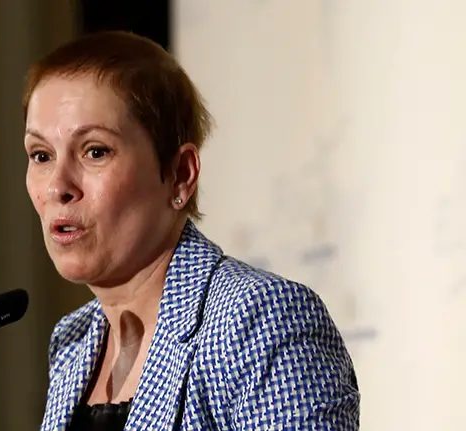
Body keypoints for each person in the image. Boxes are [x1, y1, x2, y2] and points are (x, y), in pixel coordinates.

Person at [22, 30, 360, 431]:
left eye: (95, 151)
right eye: (41, 155)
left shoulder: (259, 322)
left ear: (180, 175)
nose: (58, 186)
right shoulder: (74, 342)